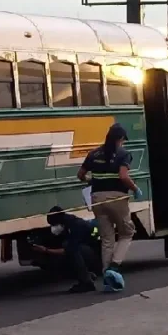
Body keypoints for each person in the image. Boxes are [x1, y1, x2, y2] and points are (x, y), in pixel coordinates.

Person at [77, 123, 143, 276]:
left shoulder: (93, 154)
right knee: (127, 232)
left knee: (107, 238)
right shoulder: (123, 154)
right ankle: (114, 265)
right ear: (119, 139)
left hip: (97, 199)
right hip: (117, 198)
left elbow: (80, 175)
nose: (123, 143)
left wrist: (90, 180)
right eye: (123, 140)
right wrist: (135, 189)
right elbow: (123, 176)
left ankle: (107, 274)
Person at [33, 207, 102, 293]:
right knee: (66, 250)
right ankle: (87, 274)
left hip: (92, 253)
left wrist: (46, 250)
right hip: (86, 250)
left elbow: (68, 250)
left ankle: (86, 283)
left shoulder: (76, 226)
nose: (53, 227)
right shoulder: (68, 223)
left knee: (71, 252)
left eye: (54, 225)